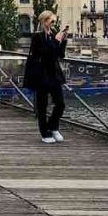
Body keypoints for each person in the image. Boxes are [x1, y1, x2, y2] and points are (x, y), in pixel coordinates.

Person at [24, 11, 69, 143]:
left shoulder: (54, 35)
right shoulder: (37, 37)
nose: (53, 24)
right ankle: (45, 133)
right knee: (42, 105)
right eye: (51, 21)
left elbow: (60, 55)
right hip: (41, 74)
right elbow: (44, 53)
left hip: (54, 74)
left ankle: (53, 126)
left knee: (60, 103)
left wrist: (63, 41)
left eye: (54, 22)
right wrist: (56, 41)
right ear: (44, 21)